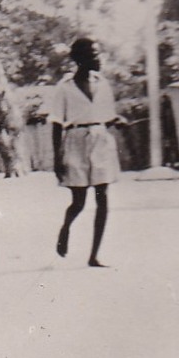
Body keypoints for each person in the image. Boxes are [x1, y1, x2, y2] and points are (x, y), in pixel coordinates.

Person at [48, 38, 123, 267]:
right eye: (93, 54)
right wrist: (57, 158)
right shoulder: (65, 87)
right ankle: (65, 227)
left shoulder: (103, 84)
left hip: (100, 142)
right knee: (78, 202)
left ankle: (94, 255)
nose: (98, 58)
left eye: (98, 54)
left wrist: (117, 120)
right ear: (80, 59)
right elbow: (56, 124)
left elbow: (106, 115)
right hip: (75, 142)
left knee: (103, 198)